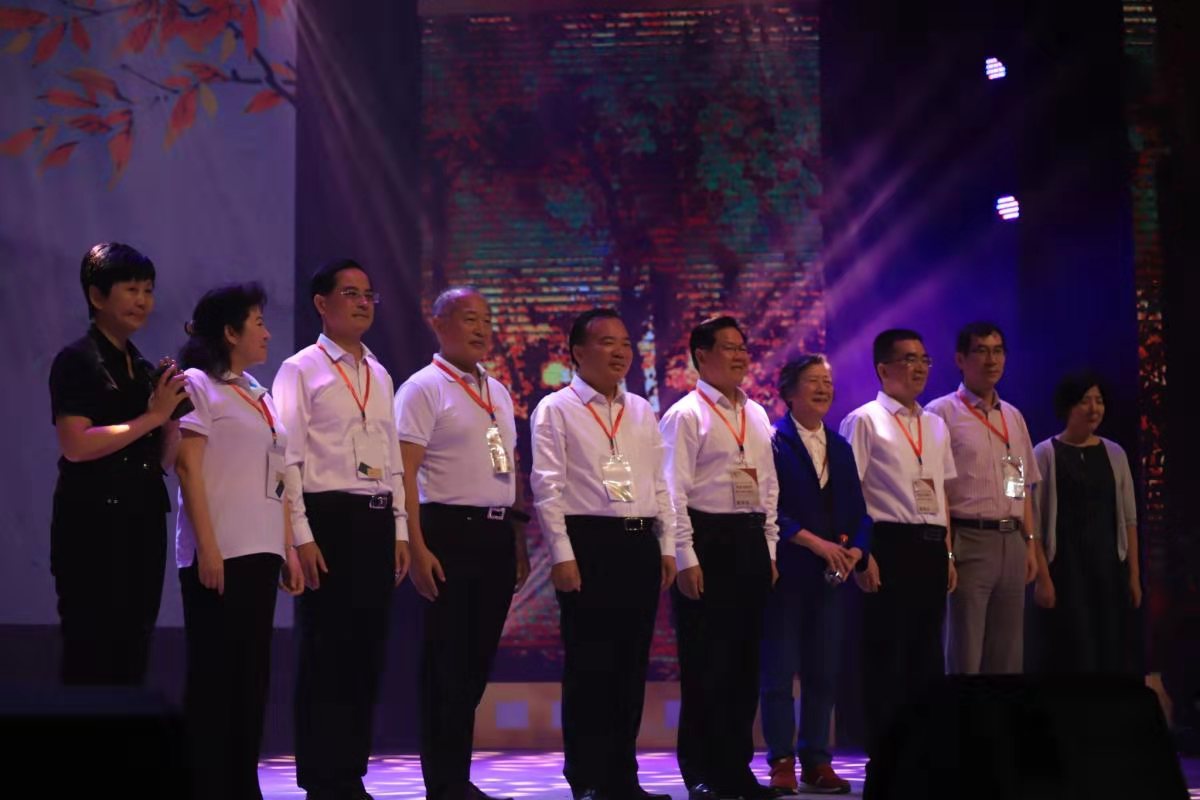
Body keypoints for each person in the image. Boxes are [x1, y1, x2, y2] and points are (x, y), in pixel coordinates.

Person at [272, 259, 411, 800]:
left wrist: (400, 528)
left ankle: (350, 774)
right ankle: (321, 778)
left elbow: (391, 459)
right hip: (328, 518)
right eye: (350, 293)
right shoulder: (300, 369)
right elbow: (287, 458)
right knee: (325, 653)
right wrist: (300, 536)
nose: (363, 302)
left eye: (368, 294)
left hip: (376, 520)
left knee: (365, 653)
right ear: (321, 304)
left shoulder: (380, 372)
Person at [530, 308, 675, 800]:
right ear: (578, 352)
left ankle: (622, 778)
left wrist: (666, 546)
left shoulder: (641, 409)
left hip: (639, 542)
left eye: (626, 343)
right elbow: (547, 487)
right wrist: (562, 554)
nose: (620, 352)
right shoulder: (556, 408)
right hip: (588, 543)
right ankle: (588, 778)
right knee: (590, 667)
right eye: (607, 342)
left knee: (630, 667)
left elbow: (658, 481)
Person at [394, 286, 532, 800]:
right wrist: (415, 545)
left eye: (487, 320)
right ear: (439, 324)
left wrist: (517, 540)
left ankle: (459, 778)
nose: (481, 329)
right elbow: (403, 472)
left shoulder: (497, 391)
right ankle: (445, 784)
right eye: (469, 318)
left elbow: (508, 469)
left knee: (475, 664)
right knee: (446, 665)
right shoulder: (422, 388)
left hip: (495, 534)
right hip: (446, 532)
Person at [175, 282, 305, 800]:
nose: (268, 333)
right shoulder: (196, 384)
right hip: (219, 554)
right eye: (258, 323)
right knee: (215, 678)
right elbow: (188, 467)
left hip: (260, 553)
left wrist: (288, 547)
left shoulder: (257, 392)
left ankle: (242, 783)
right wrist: (207, 548)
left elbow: (279, 474)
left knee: (252, 678)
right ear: (230, 332)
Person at [48, 242, 188, 685]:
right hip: (91, 523)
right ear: (97, 295)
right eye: (131, 289)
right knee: (91, 648)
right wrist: (153, 417)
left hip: (143, 518)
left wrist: (172, 421)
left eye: (148, 290)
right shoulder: (77, 360)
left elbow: (163, 462)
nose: (142, 300)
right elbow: (75, 444)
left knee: (135, 644)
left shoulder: (143, 368)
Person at [659, 316, 779, 800]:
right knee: (706, 664)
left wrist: (769, 548)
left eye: (743, 347)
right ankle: (702, 772)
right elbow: (672, 492)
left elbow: (768, 487)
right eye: (728, 347)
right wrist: (686, 557)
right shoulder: (685, 415)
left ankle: (736, 769)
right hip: (707, 540)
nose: (740, 355)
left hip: (750, 542)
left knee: (745, 665)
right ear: (701, 356)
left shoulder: (758, 414)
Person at [837, 329, 956, 794]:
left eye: (924, 359)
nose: (919, 367)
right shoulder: (864, 420)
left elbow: (941, 494)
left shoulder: (936, 424)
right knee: (886, 658)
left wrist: (948, 553)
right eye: (908, 359)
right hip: (886, 545)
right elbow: (849, 494)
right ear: (883, 369)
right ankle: (884, 759)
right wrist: (862, 555)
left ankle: (923, 756)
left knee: (927, 658)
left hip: (930, 547)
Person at [760, 355, 869, 796]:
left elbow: (860, 511)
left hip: (831, 577)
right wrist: (814, 543)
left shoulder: (839, 445)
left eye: (827, 382)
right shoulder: (772, 440)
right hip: (787, 573)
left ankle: (817, 760)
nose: (824, 389)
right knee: (779, 672)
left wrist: (857, 550)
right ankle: (781, 761)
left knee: (824, 672)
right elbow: (770, 509)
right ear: (789, 392)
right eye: (813, 382)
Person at [926, 322, 1040, 675]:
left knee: (1008, 657)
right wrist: (947, 553)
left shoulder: (1013, 416)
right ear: (960, 359)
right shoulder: (941, 413)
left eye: (998, 351)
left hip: (1012, 542)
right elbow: (936, 491)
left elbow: (1021, 486)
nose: (992, 360)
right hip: (969, 540)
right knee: (965, 653)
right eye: (981, 351)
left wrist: (1030, 545)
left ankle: (999, 715)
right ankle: (962, 715)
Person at [1030, 371, 1140, 674]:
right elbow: (1034, 524)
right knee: (1074, 652)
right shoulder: (1044, 453)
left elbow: (1129, 519)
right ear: (1068, 406)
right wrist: (1043, 578)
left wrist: (1133, 575)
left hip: (1108, 568)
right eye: (1085, 401)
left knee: (1110, 648)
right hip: (1066, 570)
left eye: (1099, 401)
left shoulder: (1115, 453)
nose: (1094, 408)